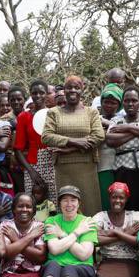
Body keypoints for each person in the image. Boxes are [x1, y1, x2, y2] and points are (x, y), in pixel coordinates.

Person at [41, 76, 105, 215]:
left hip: (87, 166)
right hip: (64, 168)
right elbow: (46, 136)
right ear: (64, 90)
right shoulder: (54, 113)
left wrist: (69, 149)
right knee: (67, 205)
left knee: (90, 206)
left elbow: (99, 136)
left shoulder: (91, 112)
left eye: (76, 87)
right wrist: (74, 141)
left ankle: (91, 235)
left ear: (83, 90)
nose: (72, 90)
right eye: (69, 87)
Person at [35, 185, 98, 277]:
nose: (69, 204)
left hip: (82, 267)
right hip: (55, 266)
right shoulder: (51, 221)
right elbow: (55, 249)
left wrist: (63, 234)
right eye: (65, 200)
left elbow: (84, 254)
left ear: (79, 203)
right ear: (59, 203)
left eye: (73, 200)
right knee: (53, 265)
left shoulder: (87, 222)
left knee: (70, 268)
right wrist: (77, 233)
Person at [89, 182, 139, 277]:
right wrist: (124, 234)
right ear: (109, 198)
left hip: (131, 260)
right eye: (114, 197)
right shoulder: (100, 216)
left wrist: (113, 233)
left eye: (121, 197)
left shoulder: (135, 216)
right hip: (108, 260)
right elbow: (94, 240)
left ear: (126, 199)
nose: (117, 201)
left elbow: (138, 241)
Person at [106, 88, 139, 217]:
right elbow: (111, 141)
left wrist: (128, 128)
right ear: (122, 103)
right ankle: (129, 233)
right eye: (127, 101)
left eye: (134, 100)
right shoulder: (116, 121)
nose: (130, 104)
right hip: (123, 169)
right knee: (127, 203)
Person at [0, 192, 47, 277]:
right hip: (9, 270)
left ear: (34, 211)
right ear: (13, 209)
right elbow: (6, 253)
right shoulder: (5, 225)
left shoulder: (39, 226)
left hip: (32, 271)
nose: (24, 209)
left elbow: (40, 257)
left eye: (28, 206)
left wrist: (15, 240)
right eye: (20, 206)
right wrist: (30, 237)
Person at [15, 79, 57, 203]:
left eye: (41, 92)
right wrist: (31, 171)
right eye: (34, 93)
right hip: (32, 164)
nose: (37, 96)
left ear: (46, 94)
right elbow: (18, 149)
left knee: (54, 203)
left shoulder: (54, 114)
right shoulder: (24, 117)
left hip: (54, 163)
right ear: (30, 94)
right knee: (32, 204)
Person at [96, 83, 124, 211]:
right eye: (106, 102)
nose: (109, 106)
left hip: (123, 166)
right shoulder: (95, 118)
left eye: (113, 103)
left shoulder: (123, 119)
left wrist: (109, 125)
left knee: (122, 198)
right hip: (104, 166)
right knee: (107, 200)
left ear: (119, 105)